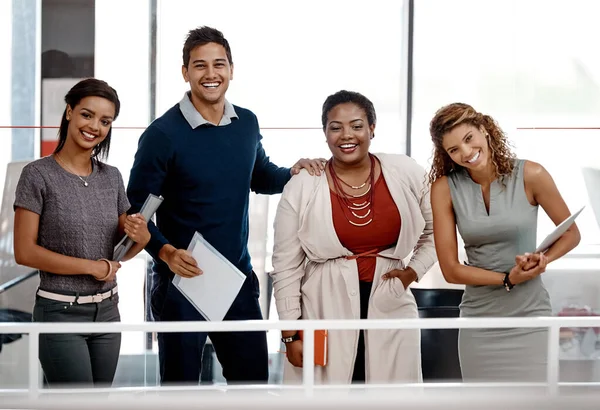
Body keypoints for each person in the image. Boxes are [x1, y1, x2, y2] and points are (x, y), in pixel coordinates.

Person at [126, 26, 325, 385]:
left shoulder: (246, 122)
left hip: (236, 278)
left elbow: (259, 174)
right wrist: (166, 253)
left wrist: (292, 173)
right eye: (199, 66)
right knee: (181, 390)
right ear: (185, 72)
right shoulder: (162, 135)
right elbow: (135, 212)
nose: (211, 74)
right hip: (181, 281)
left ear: (232, 69)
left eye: (219, 64)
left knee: (251, 385)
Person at [270, 90, 437, 384]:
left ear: (372, 128)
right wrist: (290, 334)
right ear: (325, 133)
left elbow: (438, 230)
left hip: (391, 301)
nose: (347, 135)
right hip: (322, 306)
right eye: (336, 127)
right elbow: (286, 265)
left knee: (392, 396)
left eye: (357, 126)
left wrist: (412, 272)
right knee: (327, 397)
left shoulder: (405, 171)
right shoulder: (303, 184)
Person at [428, 102, 581, 382]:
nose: (466, 153)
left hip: (530, 317)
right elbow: (450, 270)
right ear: (446, 155)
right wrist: (506, 279)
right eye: (453, 149)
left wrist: (542, 258)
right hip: (478, 320)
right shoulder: (443, 190)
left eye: (468, 138)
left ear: (484, 130)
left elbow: (572, 233)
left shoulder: (531, 175)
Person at [13, 78, 151, 386]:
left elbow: (118, 253)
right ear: (68, 112)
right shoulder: (37, 175)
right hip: (59, 312)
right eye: (87, 114)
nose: (95, 127)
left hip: (108, 312)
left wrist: (141, 239)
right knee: (76, 404)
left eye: (105, 121)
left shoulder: (112, 177)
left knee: (96, 404)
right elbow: (25, 251)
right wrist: (91, 267)